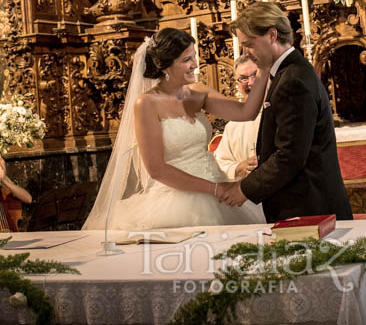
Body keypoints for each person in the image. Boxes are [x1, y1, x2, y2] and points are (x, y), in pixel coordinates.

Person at [82, 28, 267, 231]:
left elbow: (246, 112)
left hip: (218, 189)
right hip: (177, 200)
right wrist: (214, 188)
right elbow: (156, 169)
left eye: (194, 57)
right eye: (187, 59)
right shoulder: (146, 103)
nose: (195, 65)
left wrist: (264, 69)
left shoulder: (198, 92)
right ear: (165, 67)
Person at [225, 2, 353, 222]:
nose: (246, 53)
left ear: (272, 34)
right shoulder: (290, 72)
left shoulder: (292, 80)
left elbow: (289, 155)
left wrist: (244, 189)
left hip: (308, 206)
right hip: (305, 203)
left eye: (249, 44)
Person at [213, 56, 261, 181]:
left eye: (255, 75)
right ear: (237, 83)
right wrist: (239, 167)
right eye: (243, 78)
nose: (250, 82)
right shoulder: (234, 124)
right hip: (245, 194)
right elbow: (219, 164)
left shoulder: (280, 112)